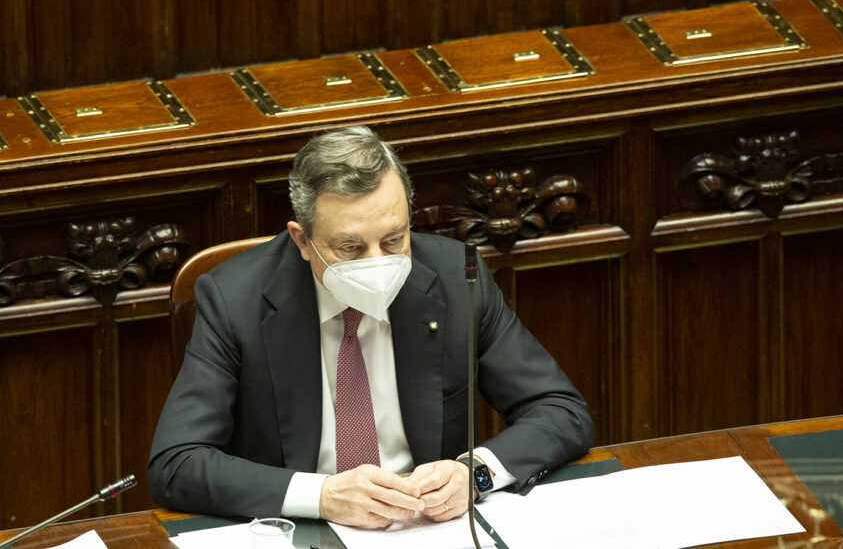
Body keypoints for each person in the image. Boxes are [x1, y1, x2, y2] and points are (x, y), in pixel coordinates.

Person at [147, 125, 593, 528]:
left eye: (394, 240)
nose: (378, 263)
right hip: (303, 528)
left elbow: (560, 410)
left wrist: (474, 473)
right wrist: (322, 496)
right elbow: (176, 463)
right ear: (302, 240)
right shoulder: (235, 300)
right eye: (350, 248)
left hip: (430, 530)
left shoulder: (456, 278)